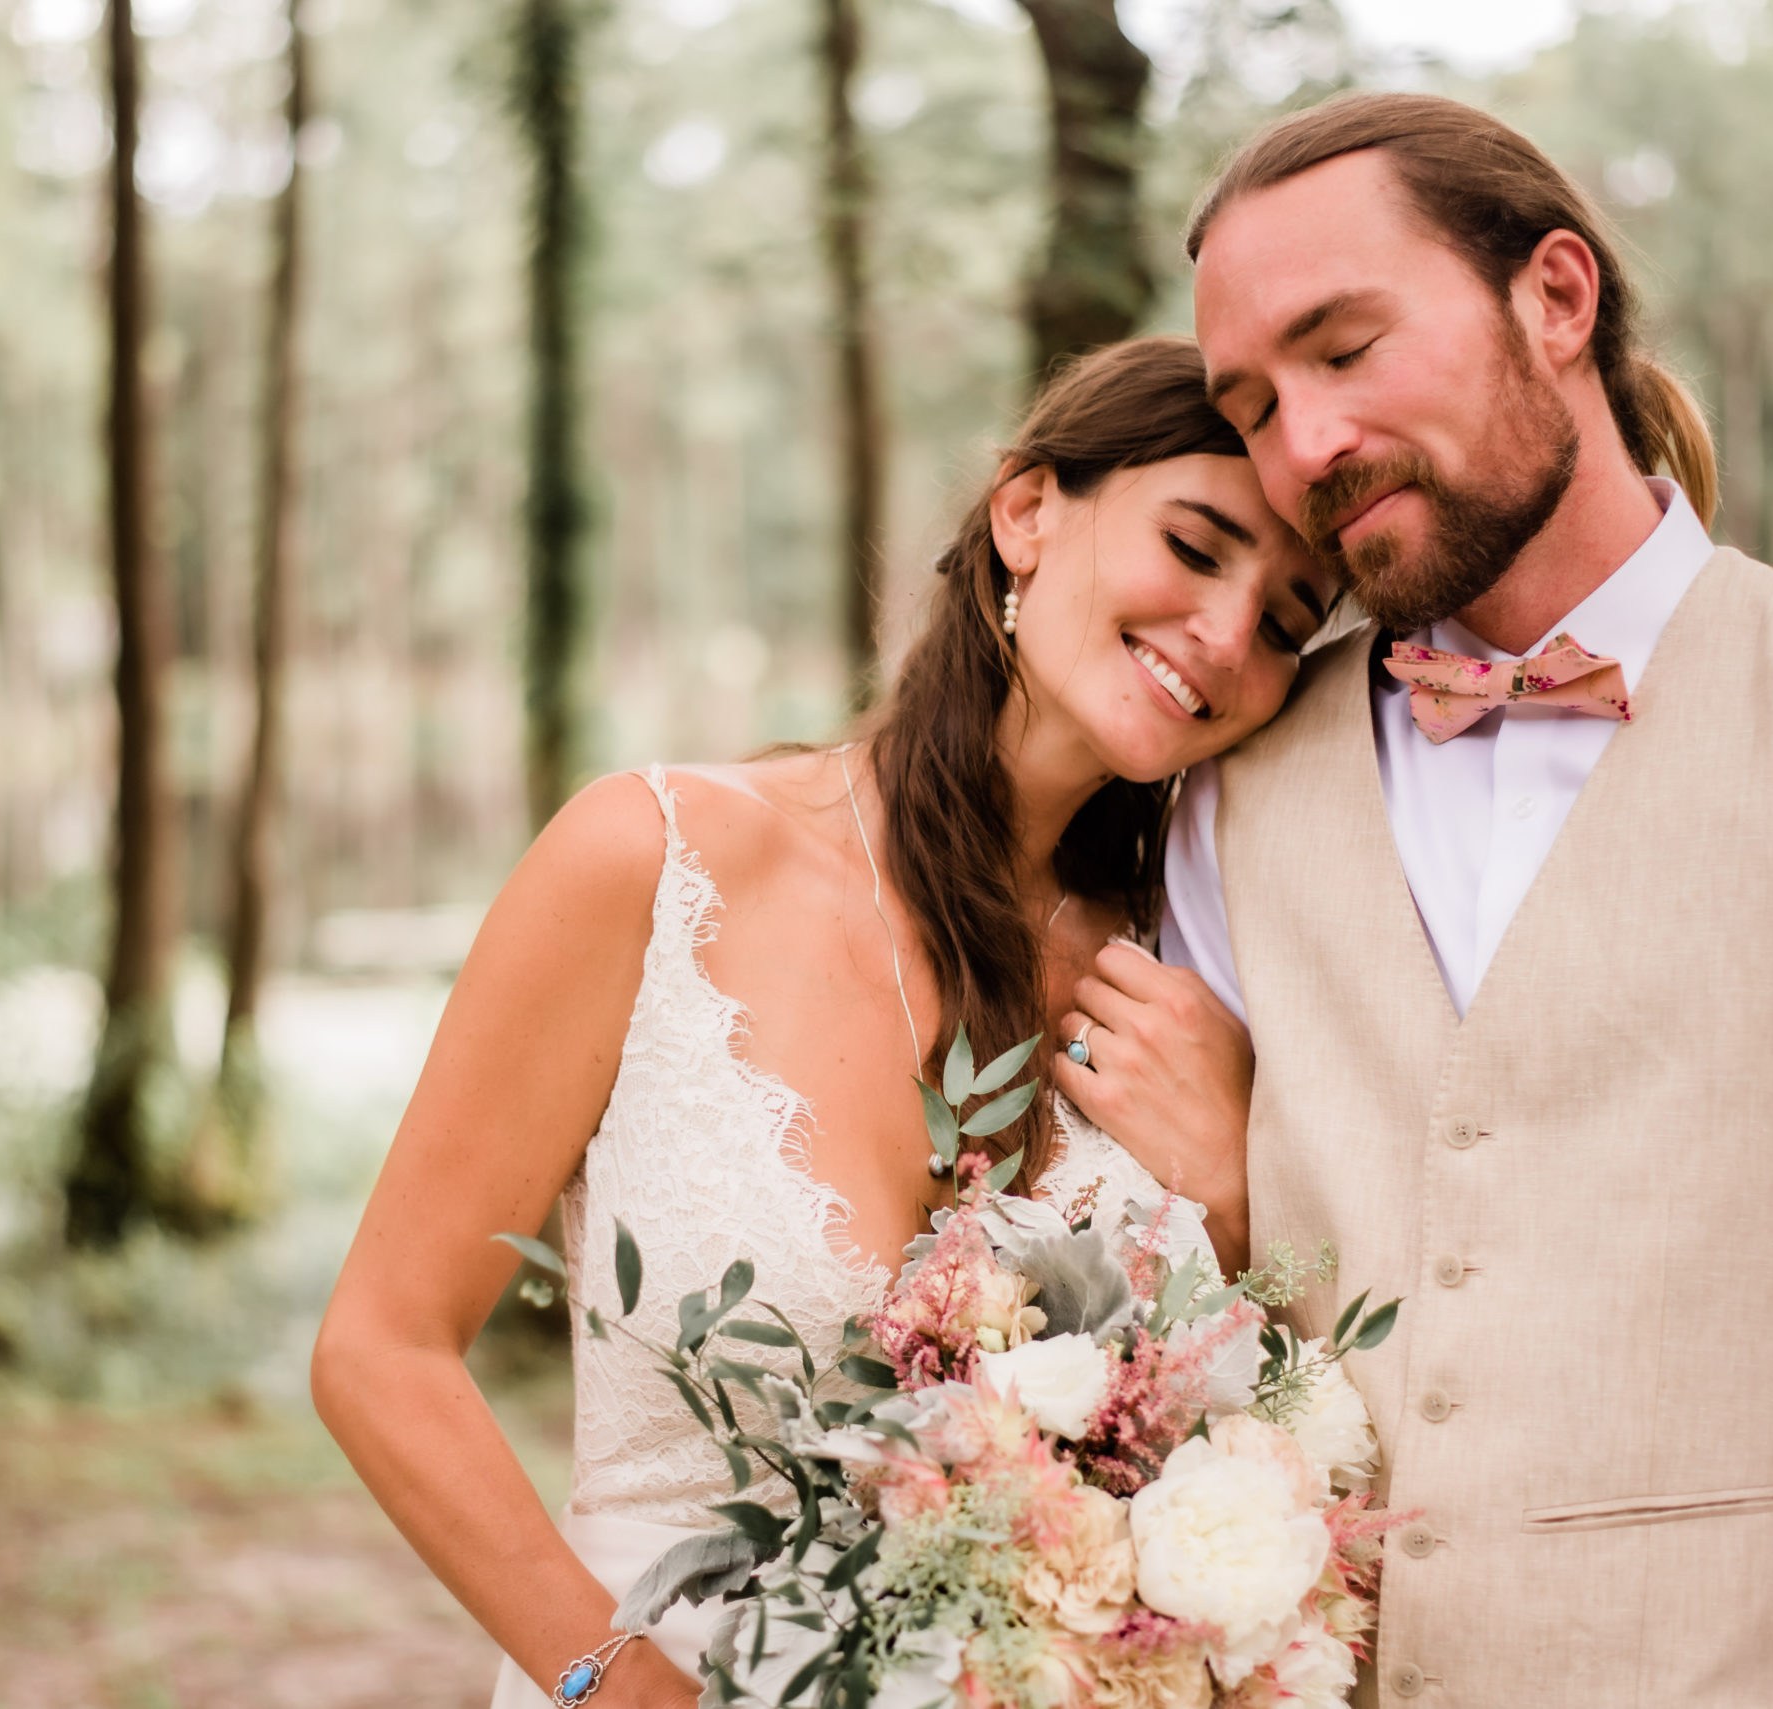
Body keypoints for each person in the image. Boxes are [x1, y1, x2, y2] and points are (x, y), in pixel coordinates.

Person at [1123, 91, 1773, 1705]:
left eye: (1344, 351)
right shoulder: (1225, 794)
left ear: (1555, 298)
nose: (1304, 448)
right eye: (1253, 403)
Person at [311, 338, 1333, 1707]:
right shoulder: (653, 861)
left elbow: (1267, 1423)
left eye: (1286, 618)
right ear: (1027, 513)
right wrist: (617, 1688)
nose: (1227, 629)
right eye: (1198, 548)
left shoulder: (1182, 975)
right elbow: (381, 1350)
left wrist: (1229, 1188)